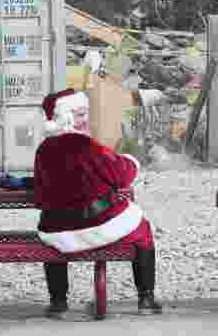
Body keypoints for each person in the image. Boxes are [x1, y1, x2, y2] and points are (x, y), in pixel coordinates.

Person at [33, 88, 163, 319]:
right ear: (66, 117)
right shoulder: (87, 146)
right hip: (97, 224)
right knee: (143, 230)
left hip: (57, 230)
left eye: (86, 114)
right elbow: (121, 173)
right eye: (80, 115)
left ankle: (58, 302)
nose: (85, 120)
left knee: (52, 241)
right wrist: (131, 161)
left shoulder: (43, 150)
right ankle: (146, 298)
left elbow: (39, 193)